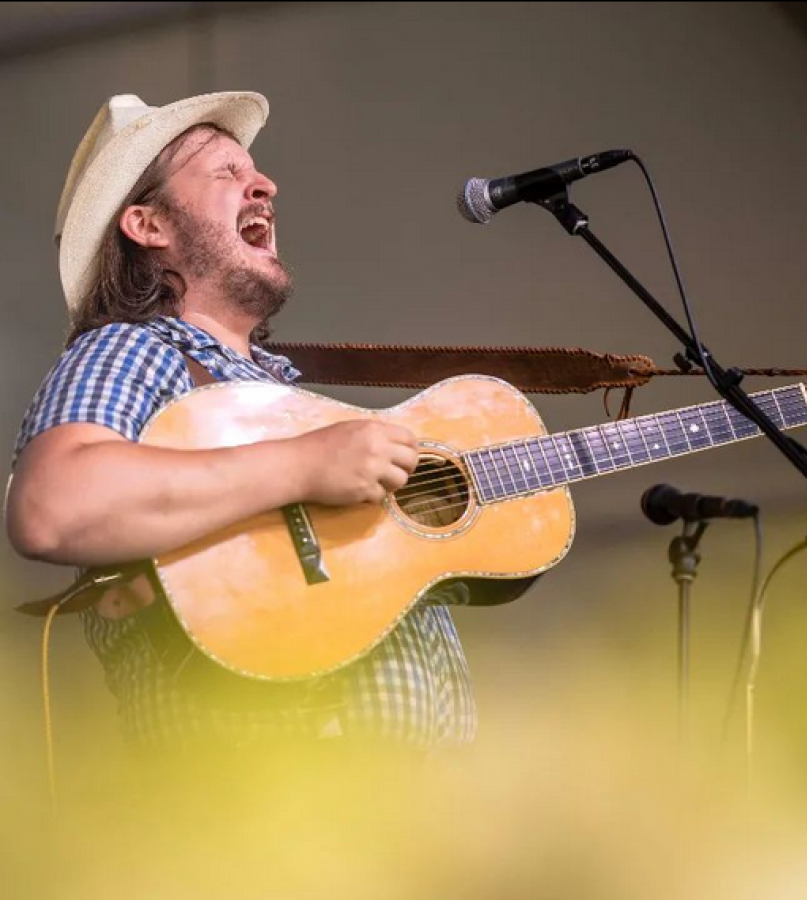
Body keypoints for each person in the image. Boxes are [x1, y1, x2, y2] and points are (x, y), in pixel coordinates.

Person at [6, 91, 530, 761]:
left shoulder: (281, 396)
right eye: (225, 172)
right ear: (148, 224)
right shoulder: (133, 350)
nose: (265, 184)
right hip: (263, 809)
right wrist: (306, 465)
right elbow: (53, 506)